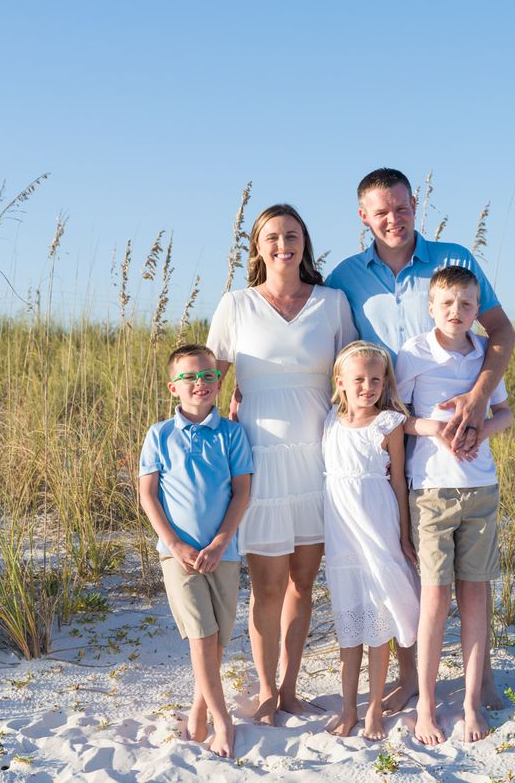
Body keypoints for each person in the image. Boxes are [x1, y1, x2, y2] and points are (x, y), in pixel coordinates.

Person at [326, 167, 515, 713]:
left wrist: (479, 400)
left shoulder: (452, 259)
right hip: (390, 432)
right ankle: (414, 680)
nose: (393, 218)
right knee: (404, 556)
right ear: (363, 216)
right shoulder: (345, 277)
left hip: (459, 441)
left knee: (468, 576)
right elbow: (341, 359)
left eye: (402, 207)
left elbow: (499, 331)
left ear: (417, 205)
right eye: (380, 210)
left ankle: (479, 681)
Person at [207, 204, 356, 725]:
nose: (282, 244)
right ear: (257, 247)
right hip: (260, 463)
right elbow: (208, 380)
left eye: (292, 235)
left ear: (305, 243)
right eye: (272, 237)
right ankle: (267, 691)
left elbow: (355, 374)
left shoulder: (333, 303)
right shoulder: (236, 305)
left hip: (319, 461)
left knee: (302, 584)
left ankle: (291, 690)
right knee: (267, 586)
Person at [396, 266, 513, 744]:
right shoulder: (414, 354)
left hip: (480, 488)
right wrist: (434, 430)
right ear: (431, 307)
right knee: (435, 600)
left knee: (475, 597)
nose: (457, 313)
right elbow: (396, 417)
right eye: (447, 304)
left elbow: (504, 412)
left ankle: (468, 702)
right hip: (431, 490)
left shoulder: (486, 354)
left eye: (467, 305)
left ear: (477, 308)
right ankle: (425, 705)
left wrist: (481, 430)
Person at [138, 344, 253, 758]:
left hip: (224, 551)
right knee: (201, 635)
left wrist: (222, 541)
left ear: (219, 382)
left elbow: (241, 491)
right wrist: (174, 544)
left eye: (208, 376)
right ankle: (223, 722)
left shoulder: (232, 434)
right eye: (189, 377)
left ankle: (199, 710)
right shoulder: (159, 435)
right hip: (179, 555)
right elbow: (148, 494)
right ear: (174, 388)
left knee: (219, 638)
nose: (200, 383)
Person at [322, 341, 420, 740]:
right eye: (358, 379)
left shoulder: (389, 424)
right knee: (350, 625)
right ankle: (349, 707)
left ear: (385, 383)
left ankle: (375, 709)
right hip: (342, 535)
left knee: (379, 624)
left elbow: (398, 482)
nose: (367, 387)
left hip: (377, 529)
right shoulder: (329, 418)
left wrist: (403, 535)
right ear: (340, 382)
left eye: (375, 379)